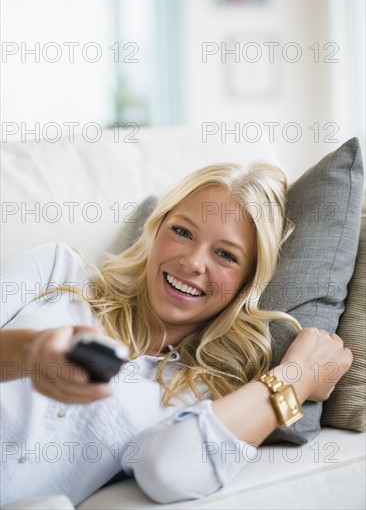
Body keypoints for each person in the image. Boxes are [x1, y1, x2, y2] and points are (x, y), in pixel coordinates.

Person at [0, 162, 352, 508]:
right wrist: (29, 353)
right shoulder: (56, 272)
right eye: (182, 232)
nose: (193, 262)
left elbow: (168, 472)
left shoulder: (198, 395)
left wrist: (294, 380)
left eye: (225, 255)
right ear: (157, 229)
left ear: (247, 283)